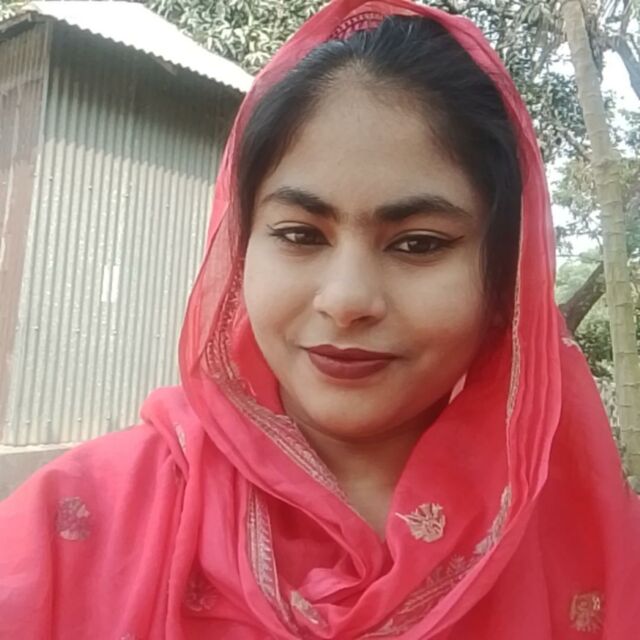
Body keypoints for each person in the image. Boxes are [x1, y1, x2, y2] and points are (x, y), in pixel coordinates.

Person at [1, 0, 639, 637]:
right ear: (240, 249)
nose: (346, 299)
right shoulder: (70, 529)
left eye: (418, 243)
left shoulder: (596, 550)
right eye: (300, 234)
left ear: (505, 276)